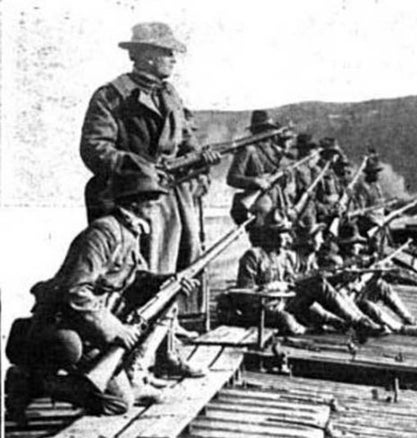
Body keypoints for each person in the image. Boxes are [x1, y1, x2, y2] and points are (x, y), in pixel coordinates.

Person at [4, 160, 199, 421]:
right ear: (133, 203)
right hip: (66, 324)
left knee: (118, 403)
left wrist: (168, 281)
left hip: (92, 327)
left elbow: (132, 278)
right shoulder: (103, 233)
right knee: (69, 348)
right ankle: (28, 383)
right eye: (151, 200)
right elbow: (75, 291)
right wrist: (116, 330)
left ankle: (126, 379)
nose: (156, 206)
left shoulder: (129, 231)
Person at [78, 21, 213, 369]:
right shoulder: (112, 95)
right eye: (167, 53)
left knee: (177, 274)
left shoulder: (170, 94)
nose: (173, 60)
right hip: (132, 197)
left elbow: (185, 140)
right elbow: (94, 149)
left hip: (172, 197)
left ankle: (166, 352)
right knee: (139, 276)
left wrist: (200, 159)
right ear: (147, 56)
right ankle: (126, 362)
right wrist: (139, 167)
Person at [216, 211, 385, 337]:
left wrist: (322, 277)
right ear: (271, 234)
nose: (288, 237)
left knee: (318, 285)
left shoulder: (285, 256)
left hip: (283, 302)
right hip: (260, 310)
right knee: (287, 321)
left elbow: (292, 281)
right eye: (283, 233)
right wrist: (269, 288)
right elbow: (245, 296)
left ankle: (357, 323)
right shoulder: (253, 256)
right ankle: (336, 325)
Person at [332, 222, 417, 337]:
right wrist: (361, 278)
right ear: (345, 245)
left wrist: (375, 272)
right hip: (346, 305)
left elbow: (361, 281)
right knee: (368, 306)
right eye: (353, 244)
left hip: (355, 295)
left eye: (357, 244)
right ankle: (400, 328)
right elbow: (340, 290)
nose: (357, 247)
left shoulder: (356, 259)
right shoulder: (337, 261)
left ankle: (408, 318)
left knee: (381, 285)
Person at [226, 110, 296, 219]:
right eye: (264, 129)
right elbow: (232, 178)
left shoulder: (277, 153)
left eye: (269, 129)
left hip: (279, 206)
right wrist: (255, 181)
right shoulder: (248, 150)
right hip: (259, 208)